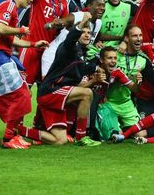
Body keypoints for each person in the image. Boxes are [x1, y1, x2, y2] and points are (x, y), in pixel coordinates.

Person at [0, 0, 49, 149]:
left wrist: (34, 44)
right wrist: (21, 30)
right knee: (21, 95)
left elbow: (13, 39)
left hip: (0, 55)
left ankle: (14, 135)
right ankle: (8, 137)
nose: (31, 0)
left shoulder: (12, 9)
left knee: (20, 95)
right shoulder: (8, 6)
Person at [37, 12, 105, 146]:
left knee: (59, 140)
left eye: (89, 33)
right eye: (83, 32)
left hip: (53, 94)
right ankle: (81, 137)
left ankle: (22, 131)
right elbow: (70, 38)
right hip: (50, 90)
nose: (86, 34)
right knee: (87, 94)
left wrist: (96, 71)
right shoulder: (68, 47)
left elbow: (84, 67)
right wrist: (80, 24)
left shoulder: (80, 54)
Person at [20, 0, 68, 86]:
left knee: (44, 90)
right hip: (31, 47)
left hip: (47, 52)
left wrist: (60, 24)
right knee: (24, 88)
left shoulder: (63, 2)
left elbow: (65, 24)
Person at [94, 46, 143, 141]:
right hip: (103, 106)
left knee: (141, 134)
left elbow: (134, 89)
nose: (113, 61)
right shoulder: (93, 71)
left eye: (115, 58)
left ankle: (123, 129)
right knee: (114, 135)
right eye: (109, 58)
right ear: (101, 60)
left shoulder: (117, 73)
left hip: (123, 105)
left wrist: (138, 82)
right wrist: (94, 81)